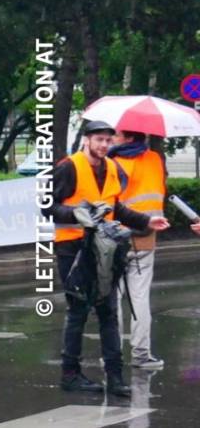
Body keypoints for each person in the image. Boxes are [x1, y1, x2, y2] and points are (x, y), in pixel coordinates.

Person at [43, 120, 169, 397]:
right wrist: (75, 214)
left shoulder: (112, 167)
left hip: (104, 247)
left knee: (108, 312)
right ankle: (70, 375)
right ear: (86, 140)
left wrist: (147, 221)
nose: (103, 145)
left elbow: (115, 207)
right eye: (98, 140)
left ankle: (115, 378)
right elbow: (47, 207)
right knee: (77, 311)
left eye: (107, 141)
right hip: (72, 248)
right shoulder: (69, 166)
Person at [110, 129, 165, 370]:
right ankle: (142, 355)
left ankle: (112, 354)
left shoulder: (112, 162)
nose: (112, 138)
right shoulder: (154, 159)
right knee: (140, 298)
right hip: (146, 236)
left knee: (113, 297)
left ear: (129, 138)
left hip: (115, 237)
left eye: (117, 134)